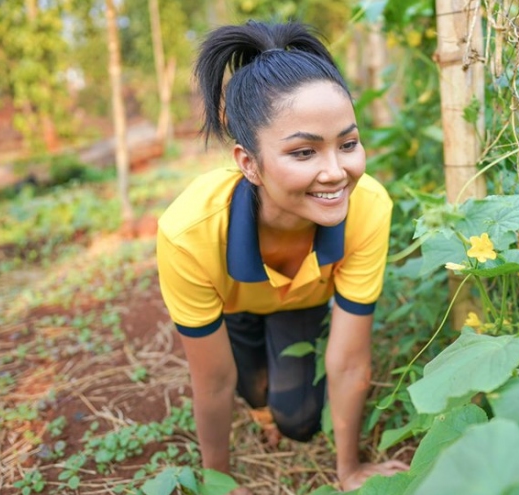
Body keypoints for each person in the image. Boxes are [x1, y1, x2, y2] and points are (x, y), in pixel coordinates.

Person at [156, 20, 408, 493]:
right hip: (234, 307)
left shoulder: (368, 206)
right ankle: (254, 382)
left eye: (348, 144)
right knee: (250, 390)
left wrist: (350, 471)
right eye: (304, 152)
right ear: (249, 163)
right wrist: (221, 484)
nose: (336, 173)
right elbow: (210, 383)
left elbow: (351, 361)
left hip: (301, 304)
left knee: (298, 422)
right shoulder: (187, 233)